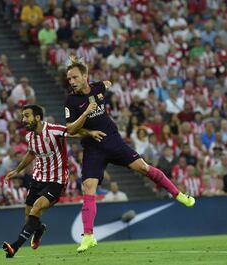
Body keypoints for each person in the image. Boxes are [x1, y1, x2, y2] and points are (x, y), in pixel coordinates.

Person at [64, 56, 195, 253]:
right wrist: (86, 119)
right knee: (88, 187)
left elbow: (106, 84)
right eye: (69, 79)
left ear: (85, 76)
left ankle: (179, 194)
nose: (72, 82)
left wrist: (106, 84)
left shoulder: (98, 88)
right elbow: (70, 130)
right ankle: (88, 236)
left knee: (143, 167)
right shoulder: (71, 101)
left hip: (114, 141)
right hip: (93, 147)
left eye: (75, 77)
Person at [2, 104, 103, 258]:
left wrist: (90, 132)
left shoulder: (53, 130)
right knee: (29, 216)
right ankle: (39, 228)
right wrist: (17, 170)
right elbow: (31, 153)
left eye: (27, 116)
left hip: (56, 181)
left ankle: (14, 247)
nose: (23, 119)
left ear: (37, 117)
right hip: (37, 179)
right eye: (23, 116)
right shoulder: (29, 136)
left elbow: (72, 132)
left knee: (36, 208)